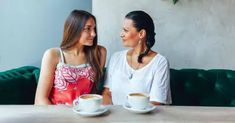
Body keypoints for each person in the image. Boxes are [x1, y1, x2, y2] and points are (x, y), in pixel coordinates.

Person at [35, 10, 106, 106]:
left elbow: (94, 93)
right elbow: (40, 99)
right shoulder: (53, 55)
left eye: (94, 29)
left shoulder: (99, 53)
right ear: (74, 29)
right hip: (56, 115)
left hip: (85, 113)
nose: (93, 34)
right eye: (88, 29)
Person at [102, 10, 171, 105]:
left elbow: (156, 103)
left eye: (126, 30)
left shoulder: (160, 62)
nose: (121, 34)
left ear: (141, 34)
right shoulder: (115, 58)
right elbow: (107, 93)